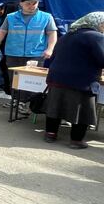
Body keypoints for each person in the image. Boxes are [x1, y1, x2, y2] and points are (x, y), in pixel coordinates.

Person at [43, 12, 104, 149]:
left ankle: (50, 134)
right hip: (81, 81)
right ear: (97, 23)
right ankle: (76, 141)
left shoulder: (67, 35)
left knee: (55, 106)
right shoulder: (96, 37)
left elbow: (54, 56)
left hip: (57, 78)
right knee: (82, 111)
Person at [0, 0, 57, 114]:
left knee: (31, 80)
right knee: (14, 78)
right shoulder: (11, 17)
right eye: (28, 4)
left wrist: (50, 49)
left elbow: (52, 33)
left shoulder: (46, 17)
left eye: (34, 3)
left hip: (35, 54)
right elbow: (2, 32)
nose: (31, 6)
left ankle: (28, 104)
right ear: (21, 4)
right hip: (13, 53)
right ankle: (16, 100)